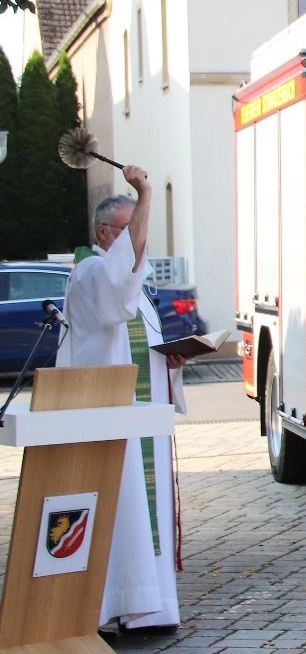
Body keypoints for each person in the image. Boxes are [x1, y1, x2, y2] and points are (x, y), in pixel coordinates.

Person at [56, 165, 185, 634]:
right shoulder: (92, 273)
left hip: (139, 421)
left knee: (142, 512)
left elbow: (138, 338)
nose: (141, 239)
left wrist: (171, 362)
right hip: (109, 419)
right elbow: (117, 300)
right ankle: (118, 609)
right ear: (104, 233)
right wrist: (146, 191)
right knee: (124, 510)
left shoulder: (125, 281)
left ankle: (153, 606)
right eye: (134, 228)